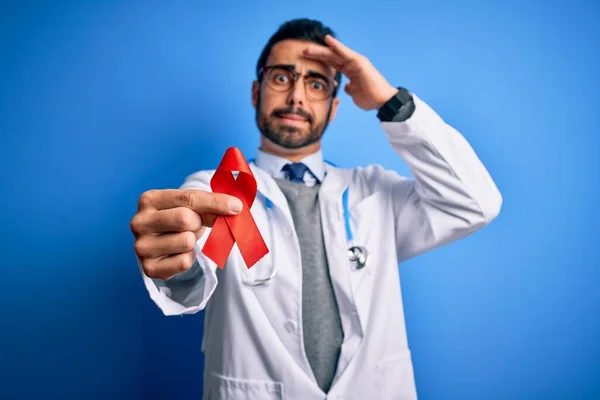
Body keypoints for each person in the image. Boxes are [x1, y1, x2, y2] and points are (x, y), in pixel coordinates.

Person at [130, 18, 502, 400]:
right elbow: (190, 281)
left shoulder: (374, 195)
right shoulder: (217, 190)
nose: (296, 97)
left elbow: (475, 203)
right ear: (256, 91)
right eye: (281, 78)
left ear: (335, 107)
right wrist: (176, 260)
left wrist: (390, 101)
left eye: (316, 84)